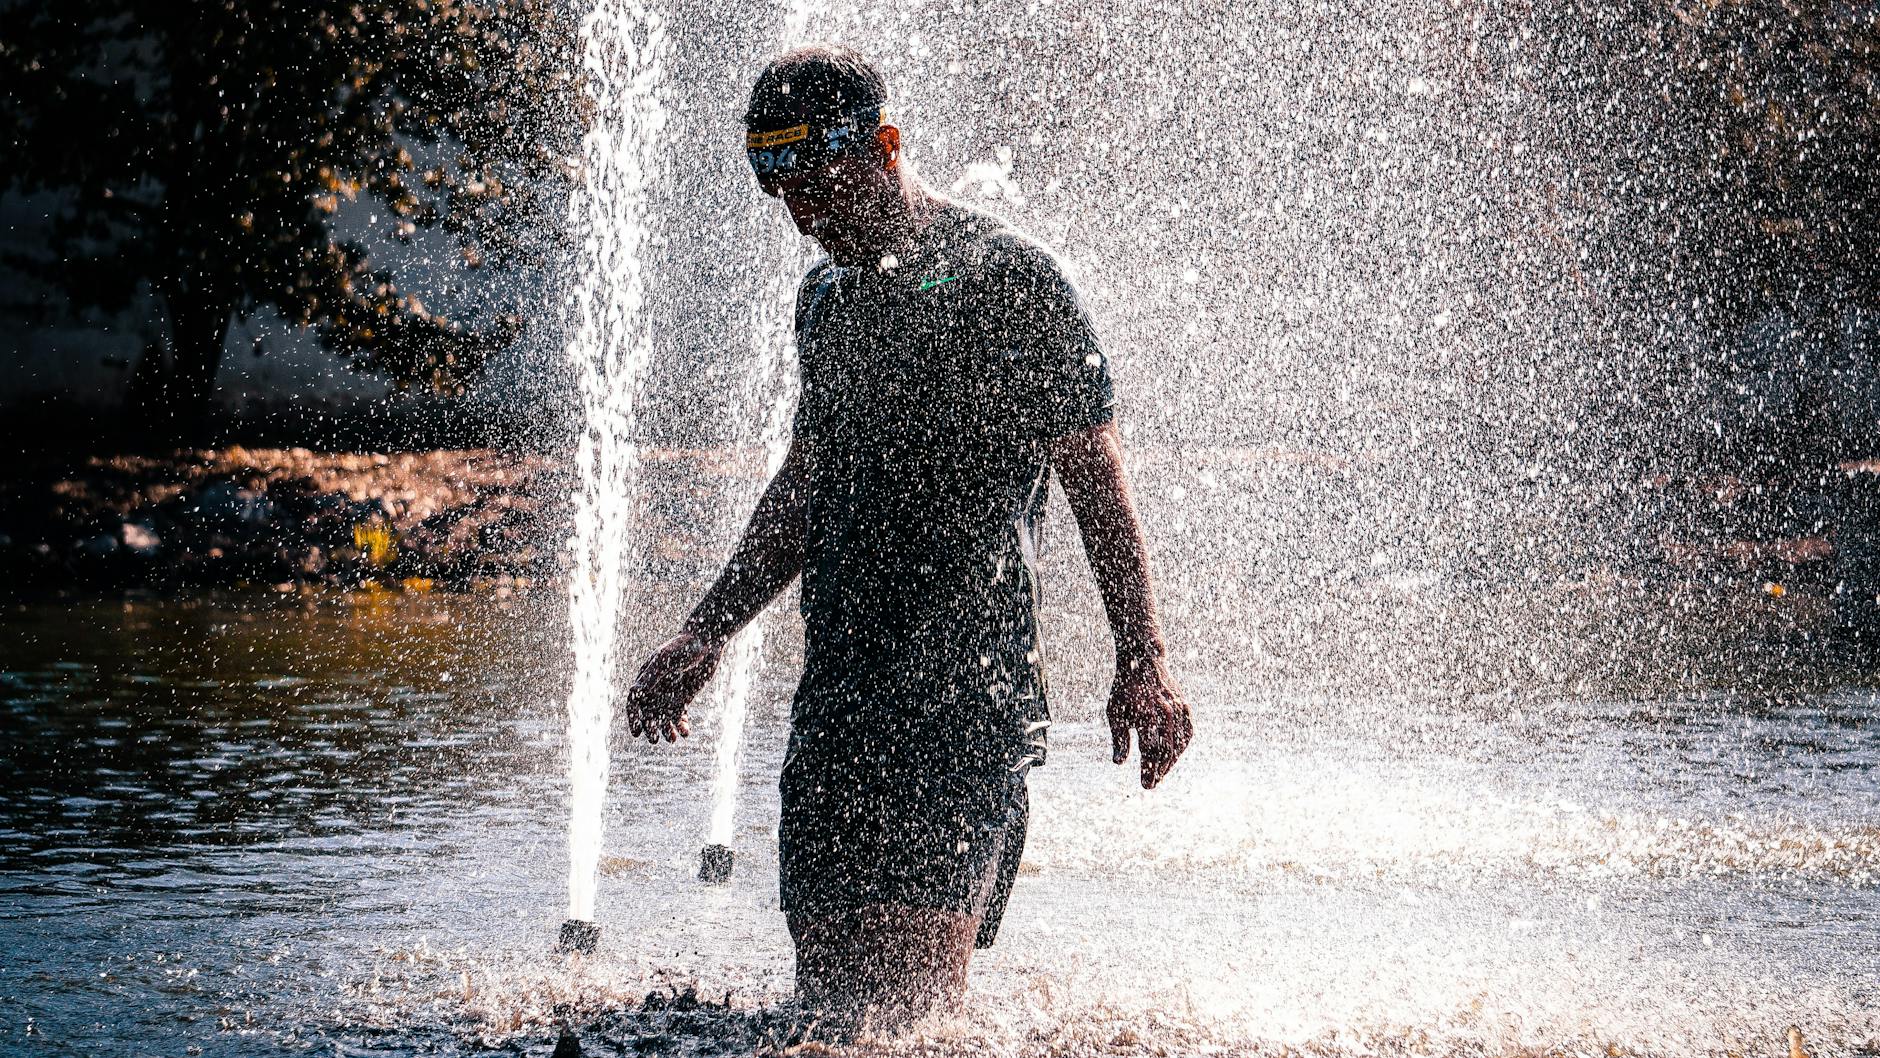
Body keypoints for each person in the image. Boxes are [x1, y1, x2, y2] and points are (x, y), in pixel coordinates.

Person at [622, 44, 1192, 1029]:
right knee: (825, 1013)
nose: (799, 214)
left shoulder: (1006, 278)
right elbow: (804, 486)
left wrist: (1141, 658)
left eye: (816, 185)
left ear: (881, 145)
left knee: (905, 1023)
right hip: (841, 696)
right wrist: (706, 630)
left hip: (965, 702)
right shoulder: (825, 302)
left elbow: (1094, 478)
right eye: (779, 190)